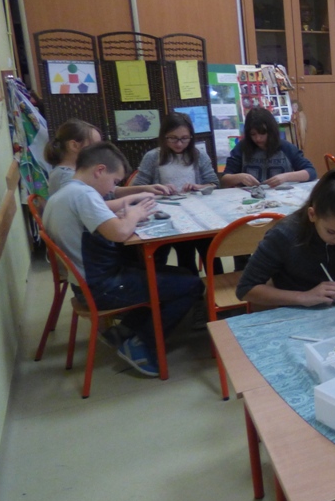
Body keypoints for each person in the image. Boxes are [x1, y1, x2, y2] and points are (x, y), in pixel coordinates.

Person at [42, 142, 204, 377]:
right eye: (115, 181)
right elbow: (119, 233)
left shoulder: (64, 193)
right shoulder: (84, 195)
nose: (113, 188)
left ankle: (125, 331)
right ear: (99, 170)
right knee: (192, 284)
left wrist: (125, 215)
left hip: (88, 284)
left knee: (181, 275)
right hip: (102, 288)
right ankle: (141, 345)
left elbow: (101, 223)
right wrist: (134, 214)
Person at [236, 169, 335, 307]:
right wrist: (304, 297)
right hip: (295, 310)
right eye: (331, 232)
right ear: (312, 215)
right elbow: (246, 289)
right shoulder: (284, 235)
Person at [133, 112, 221, 274]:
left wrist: (198, 187)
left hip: (199, 214)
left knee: (210, 249)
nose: (179, 143)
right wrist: (156, 188)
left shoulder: (198, 155)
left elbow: (214, 183)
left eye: (184, 138)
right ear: (164, 136)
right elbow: (137, 188)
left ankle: (217, 284)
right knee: (184, 252)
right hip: (170, 216)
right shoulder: (153, 157)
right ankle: (192, 284)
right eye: (173, 138)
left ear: (191, 137)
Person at [45, 118, 167, 203]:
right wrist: (134, 199)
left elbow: (111, 192)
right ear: (74, 145)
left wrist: (144, 189)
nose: (100, 152)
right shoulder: (66, 177)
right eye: (95, 145)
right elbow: (94, 207)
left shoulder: (75, 173)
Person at [221, 107, 317, 188]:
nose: (258, 138)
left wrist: (285, 177)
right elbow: (224, 180)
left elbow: (311, 172)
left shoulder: (285, 147)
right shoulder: (241, 148)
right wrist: (239, 177)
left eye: (263, 133)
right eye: (253, 134)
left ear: (271, 131)